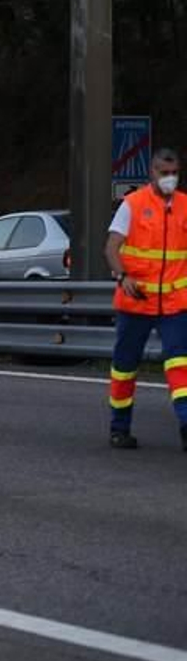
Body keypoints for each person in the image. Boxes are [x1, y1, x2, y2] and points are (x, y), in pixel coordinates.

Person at [104, 146, 187, 451]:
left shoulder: (185, 206)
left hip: (175, 304)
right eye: (164, 173)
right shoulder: (133, 204)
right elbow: (111, 248)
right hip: (136, 301)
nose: (170, 178)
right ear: (152, 172)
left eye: (175, 173)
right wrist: (122, 277)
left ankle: (186, 423)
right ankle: (119, 428)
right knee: (125, 367)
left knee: (181, 363)